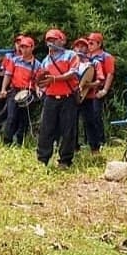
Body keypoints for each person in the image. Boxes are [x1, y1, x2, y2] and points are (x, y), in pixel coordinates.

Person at [35, 28, 80, 169]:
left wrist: (54, 79)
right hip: (50, 98)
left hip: (68, 98)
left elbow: (73, 73)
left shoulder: (71, 55)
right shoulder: (45, 61)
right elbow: (40, 79)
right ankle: (43, 159)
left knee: (68, 130)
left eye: (54, 39)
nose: (51, 42)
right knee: (46, 129)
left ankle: (65, 160)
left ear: (62, 40)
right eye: (48, 40)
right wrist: (39, 87)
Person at [0, 35, 41, 147]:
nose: (23, 49)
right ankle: (6, 142)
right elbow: (8, 75)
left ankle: (19, 142)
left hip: (28, 93)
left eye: (26, 47)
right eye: (22, 47)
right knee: (11, 117)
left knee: (24, 120)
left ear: (32, 47)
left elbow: (37, 82)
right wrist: (3, 89)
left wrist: (38, 91)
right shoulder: (15, 60)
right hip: (14, 91)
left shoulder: (37, 65)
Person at [82, 32, 116, 154]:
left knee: (96, 116)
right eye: (88, 43)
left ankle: (100, 141)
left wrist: (105, 90)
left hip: (97, 90)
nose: (89, 45)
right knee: (87, 117)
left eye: (91, 43)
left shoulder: (106, 57)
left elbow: (110, 74)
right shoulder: (86, 56)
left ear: (99, 44)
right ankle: (89, 141)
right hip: (86, 91)